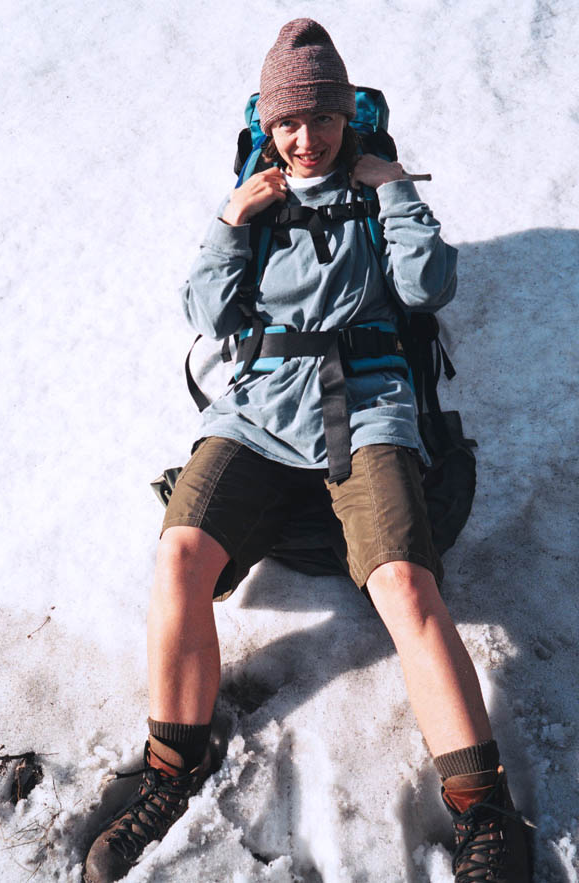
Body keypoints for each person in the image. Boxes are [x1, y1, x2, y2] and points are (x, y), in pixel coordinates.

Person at [83, 18, 531, 883]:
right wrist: (230, 219)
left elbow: (428, 285)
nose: (306, 137)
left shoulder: (372, 189)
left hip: (366, 408)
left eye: (322, 117)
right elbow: (208, 314)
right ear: (269, 125)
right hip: (257, 411)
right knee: (180, 553)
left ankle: (486, 813)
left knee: (406, 582)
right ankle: (171, 770)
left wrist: (394, 190)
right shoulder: (254, 199)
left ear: (344, 117)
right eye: (288, 121)